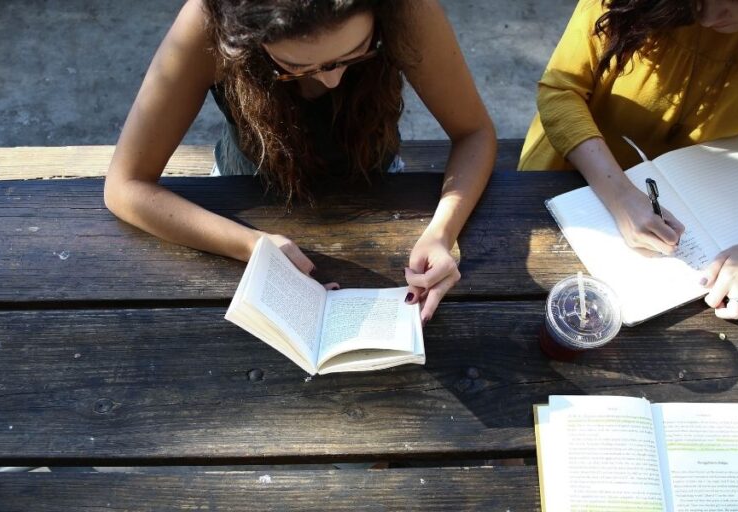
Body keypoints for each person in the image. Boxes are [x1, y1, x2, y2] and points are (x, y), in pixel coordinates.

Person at [104, 0, 496, 324]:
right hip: (243, 191)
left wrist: (442, 233)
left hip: (376, 182)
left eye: (356, 54)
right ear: (244, 39)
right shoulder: (209, 22)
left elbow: (474, 133)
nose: (332, 81)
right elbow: (126, 186)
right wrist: (251, 245)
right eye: (297, 68)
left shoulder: (407, 10)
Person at [520, 0, 738, 320]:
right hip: (575, 169)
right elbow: (562, 90)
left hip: (726, 205)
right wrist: (620, 195)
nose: (710, 16)